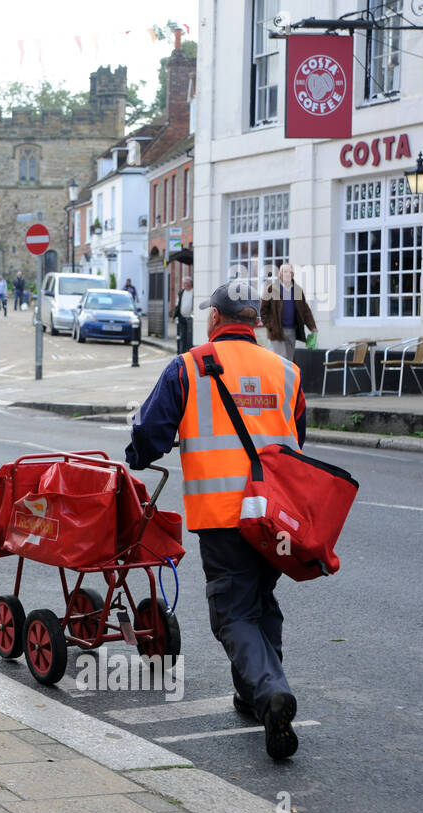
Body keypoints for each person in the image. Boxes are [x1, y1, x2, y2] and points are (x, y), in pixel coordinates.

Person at [125, 281, 306, 761]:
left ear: (213, 320)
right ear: (254, 324)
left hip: (223, 514)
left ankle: (269, 692)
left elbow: (151, 431)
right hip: (275, 515)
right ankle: (255, 697)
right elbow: (298, 441)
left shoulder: (189, 366)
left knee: (233, 612)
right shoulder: (287, 372)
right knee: (261, 599)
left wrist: (138, 456)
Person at [260, 263, 317, 363]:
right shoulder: (271, 289)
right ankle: (278, 379)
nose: (287, 274)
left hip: (292, 331)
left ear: (293, 274)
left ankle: (287, 379)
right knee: (280, 359)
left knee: (289, 361)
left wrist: (312, 327)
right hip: (277, 331)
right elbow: (263, 311)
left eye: (290, 272)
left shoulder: (297, 290)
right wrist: (271, 325)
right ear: (280, 274)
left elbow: (305, 310)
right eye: (285, 271)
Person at [170, 277, 194, 353]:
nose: (184, 285)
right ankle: (181, 353)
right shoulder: (181, 292)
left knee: (189, 338)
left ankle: (189, 353)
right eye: (184, 283)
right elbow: (178, 305)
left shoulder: (194, 292)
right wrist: (175, 316)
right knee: (182, 337)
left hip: (190, 318)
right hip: (182, 318)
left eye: (186, 283)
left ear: (190, 284)